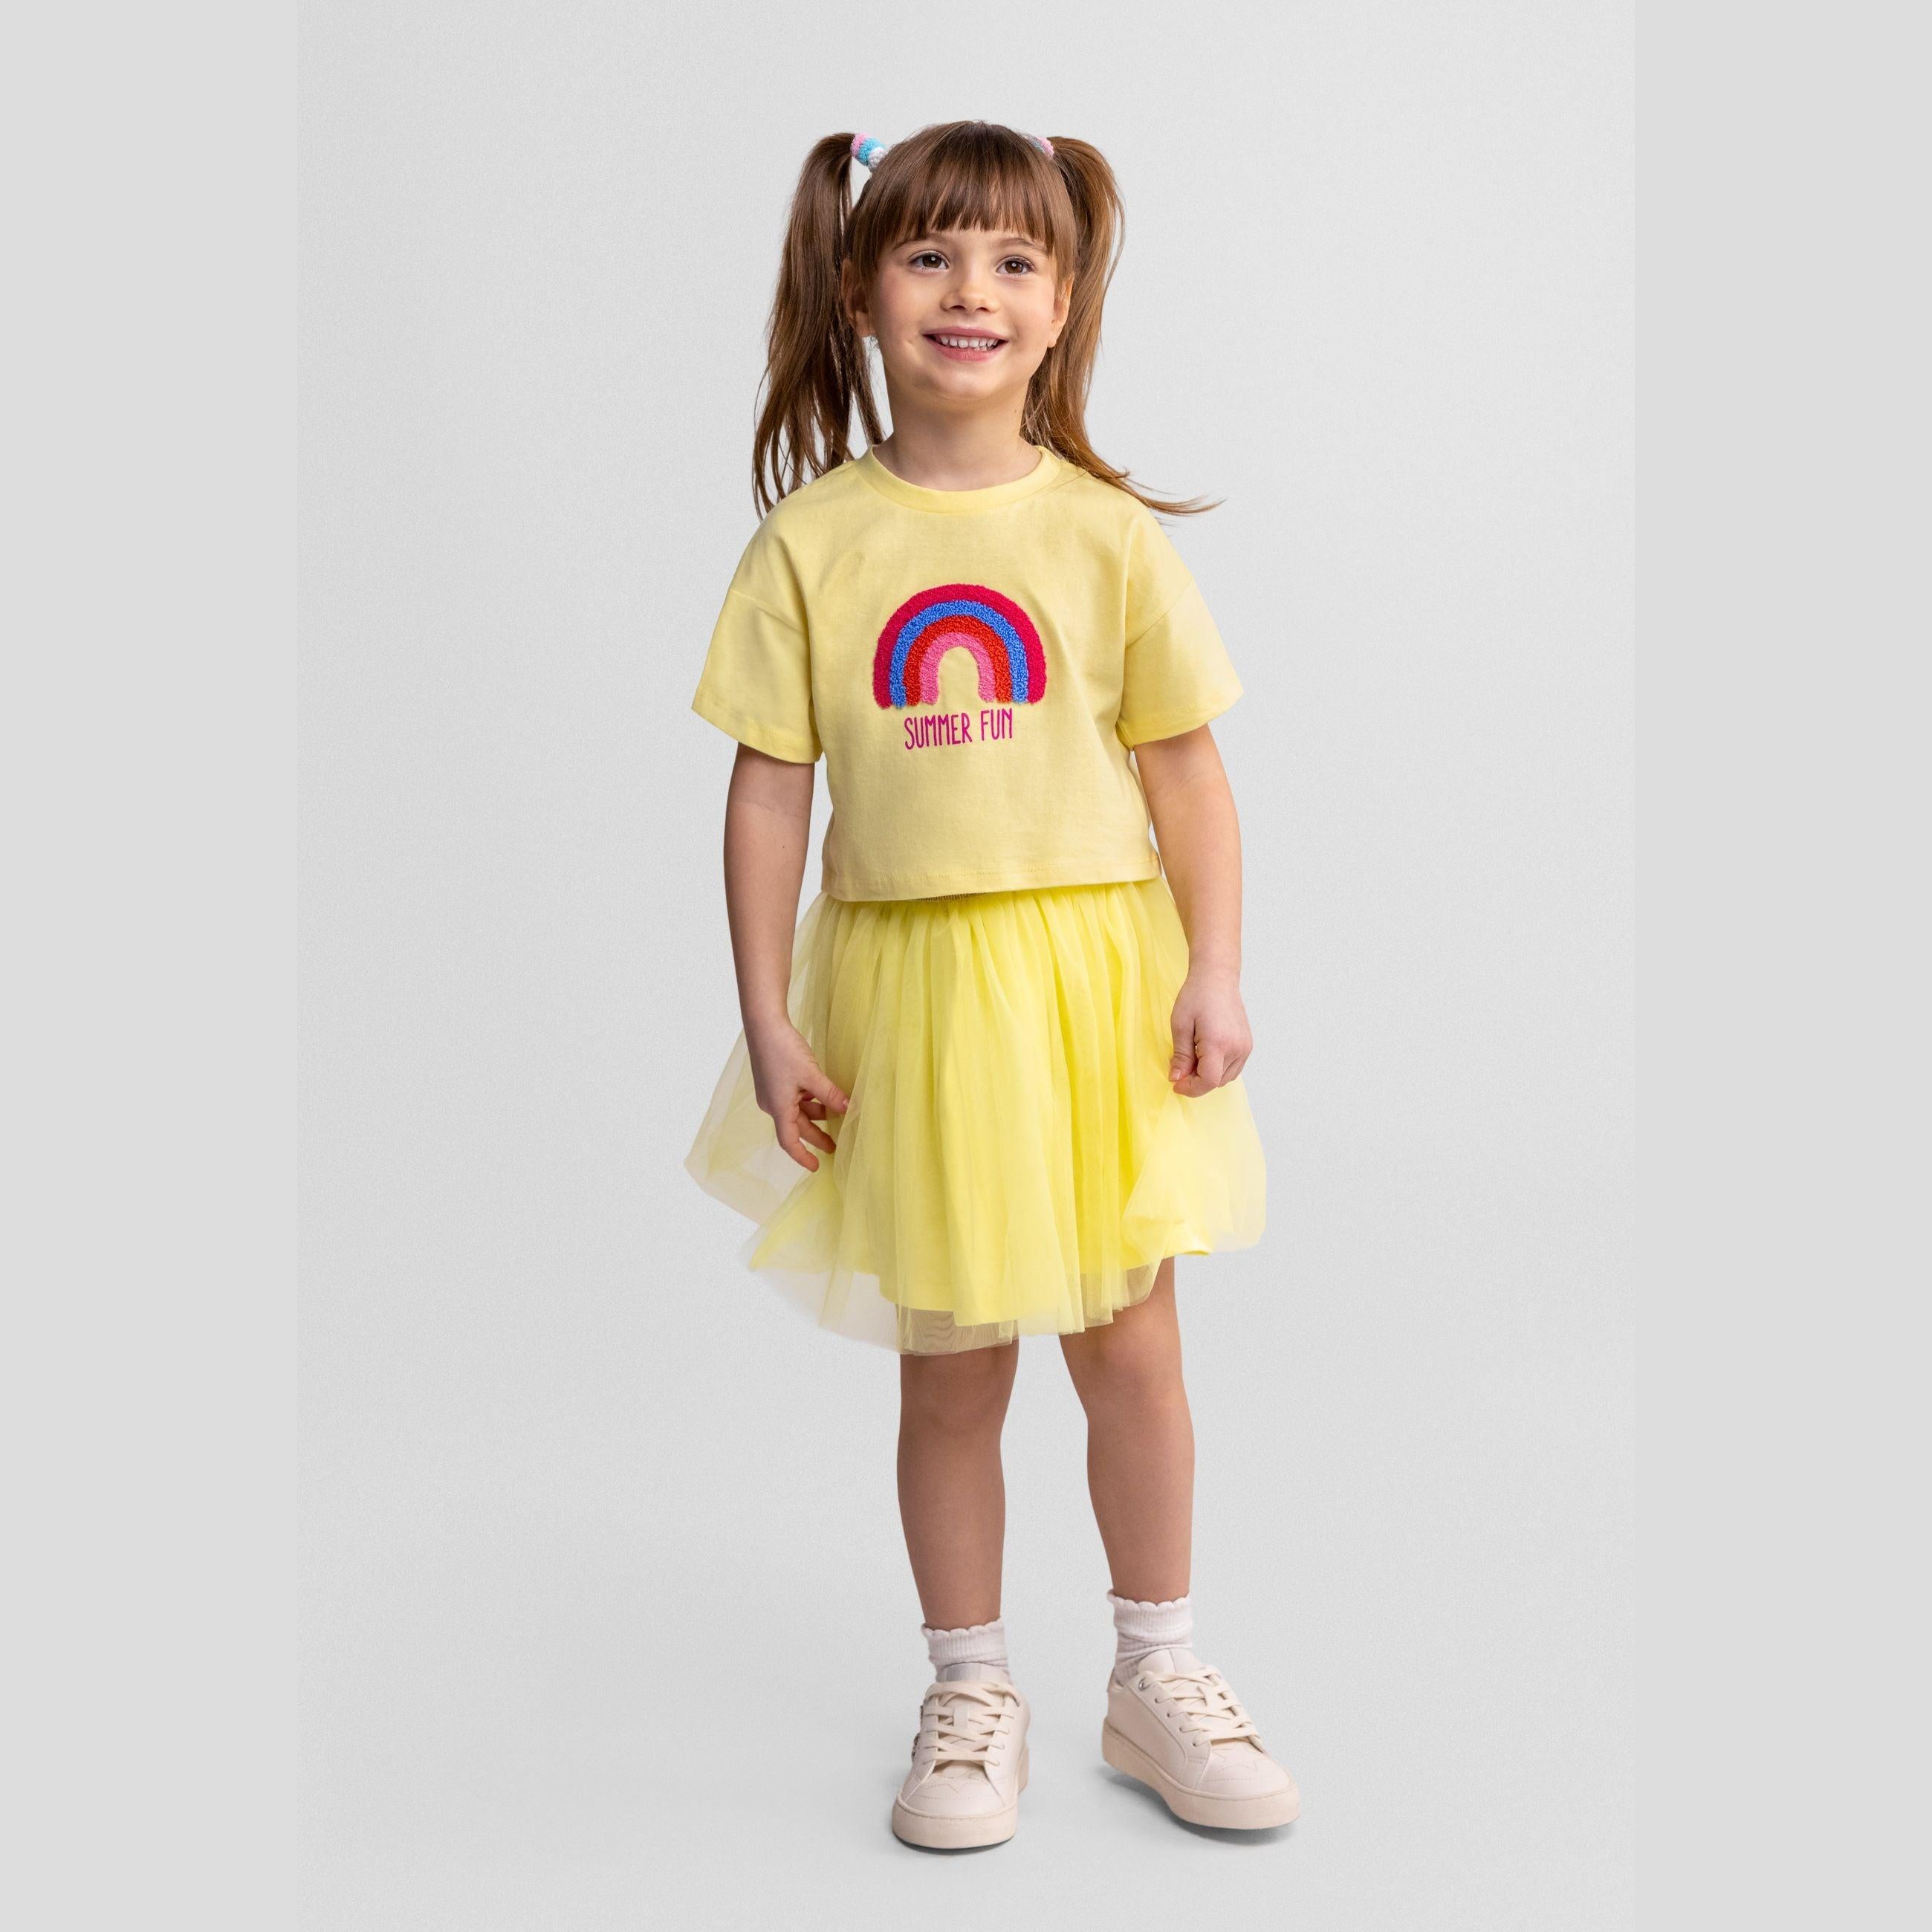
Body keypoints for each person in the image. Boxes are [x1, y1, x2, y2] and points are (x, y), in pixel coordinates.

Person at [684, 120, 1297, 1847]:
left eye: (1015, 260)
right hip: (920, 996)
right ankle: (968, 1682)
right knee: (949, 1364)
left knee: (1131, 1343)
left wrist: (1218, 967)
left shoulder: (1100, 535)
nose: (974, 290)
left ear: (1064, 299)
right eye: (933, 255)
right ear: (861, 290)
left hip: (1095, 983)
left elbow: (1189, 776)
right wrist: (767, 1012)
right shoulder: (812, 544)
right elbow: (766, 788)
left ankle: (1153, 1667)